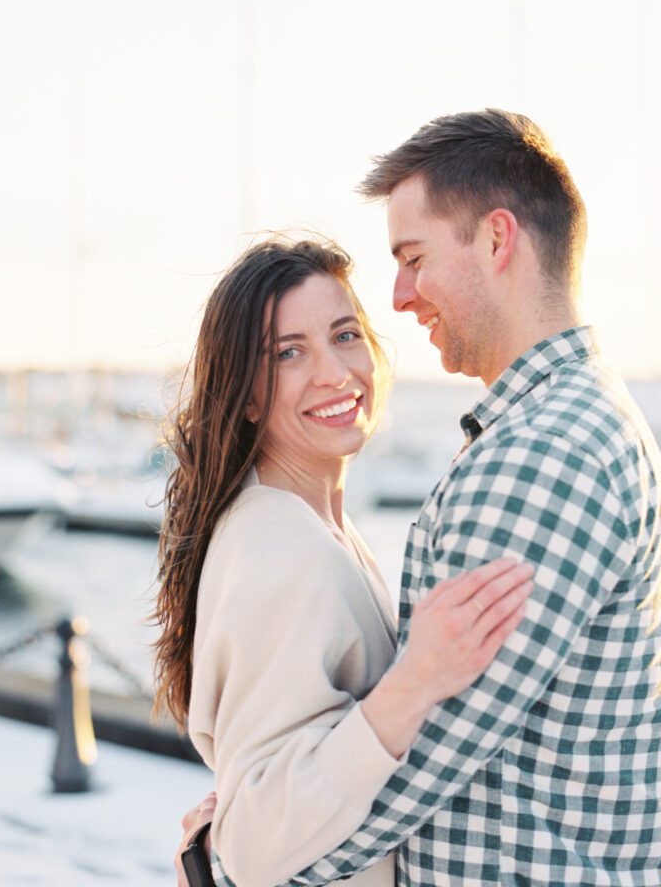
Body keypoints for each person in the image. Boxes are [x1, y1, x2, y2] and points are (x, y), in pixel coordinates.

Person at [182, 109, 661, 887]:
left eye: (414, 258)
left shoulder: (537, 455)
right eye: (289, 352)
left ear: (495, 240)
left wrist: (227, 858)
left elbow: (424, 760)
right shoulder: (568, 423)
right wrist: (238, 842)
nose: (402, 294)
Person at [153, 236, 533, 887]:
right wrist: (415, 682)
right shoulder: (281, 548)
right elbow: (252, 847)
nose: (334, 372)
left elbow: (261, 787)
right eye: (289, 353)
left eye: (346, 335)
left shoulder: (306, 522)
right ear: (245, 395)